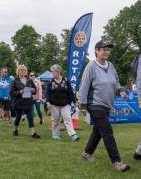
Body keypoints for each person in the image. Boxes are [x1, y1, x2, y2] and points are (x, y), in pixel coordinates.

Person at [79, 40, 130, 172]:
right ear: (97, 51)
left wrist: (121, 91)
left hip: (107, 105)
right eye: (104, 49)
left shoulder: (111, 66)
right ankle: (117, 162)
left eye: (108, 49)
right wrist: (83, 106)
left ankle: (86, 153)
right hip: (95, 104)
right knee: (107, 131)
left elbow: (116, 83)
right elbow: (84, 86)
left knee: (98, 131)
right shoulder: (91, 67)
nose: (106, 51)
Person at [46, 64, 80, 141]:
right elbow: (47, 93)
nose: (52, 73)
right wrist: (48, 102)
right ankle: (55, 134)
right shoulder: (50, 82)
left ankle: (73, 134)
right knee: (56, 120)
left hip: (65, 104)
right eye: (52, 72)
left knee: (67, 119)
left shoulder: (66, 80)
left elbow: (71, 92)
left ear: (58, 72)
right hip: (54, 104)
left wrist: (75, 101)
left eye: (53, 72)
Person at [10, 65, 40, 139]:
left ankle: (33, 133)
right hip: (18, 102)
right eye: (21, 70)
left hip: (28, 102)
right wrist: (20, 92)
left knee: (30, 117)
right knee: (18, 118)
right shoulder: (14, 81)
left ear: (26, 71)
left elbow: (35, 89)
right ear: (18, 71)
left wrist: (33, 90)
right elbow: (11, 93)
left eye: (24, 70)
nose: (23, 71)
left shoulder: (29, 80)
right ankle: (15, 130)